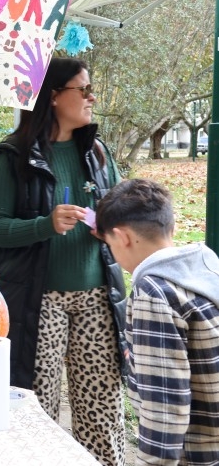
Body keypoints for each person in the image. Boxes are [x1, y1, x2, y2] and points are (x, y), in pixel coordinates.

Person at [0, 57, 124, 465]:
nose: (92, 97)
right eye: (84, 89)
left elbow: (120, 210)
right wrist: (45, 225)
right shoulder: (14, 157)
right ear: (55, 96)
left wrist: (111, 226)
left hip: (97, 294)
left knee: (102, 408)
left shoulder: (97, 152)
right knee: (36, 407)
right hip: (38, 298)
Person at [95, 179, 219, 465]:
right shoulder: (204, 263)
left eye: (111, 245)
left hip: (195, 454)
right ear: (171, 227)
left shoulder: (155, 293)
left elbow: (165, 411)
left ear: (122, 237)